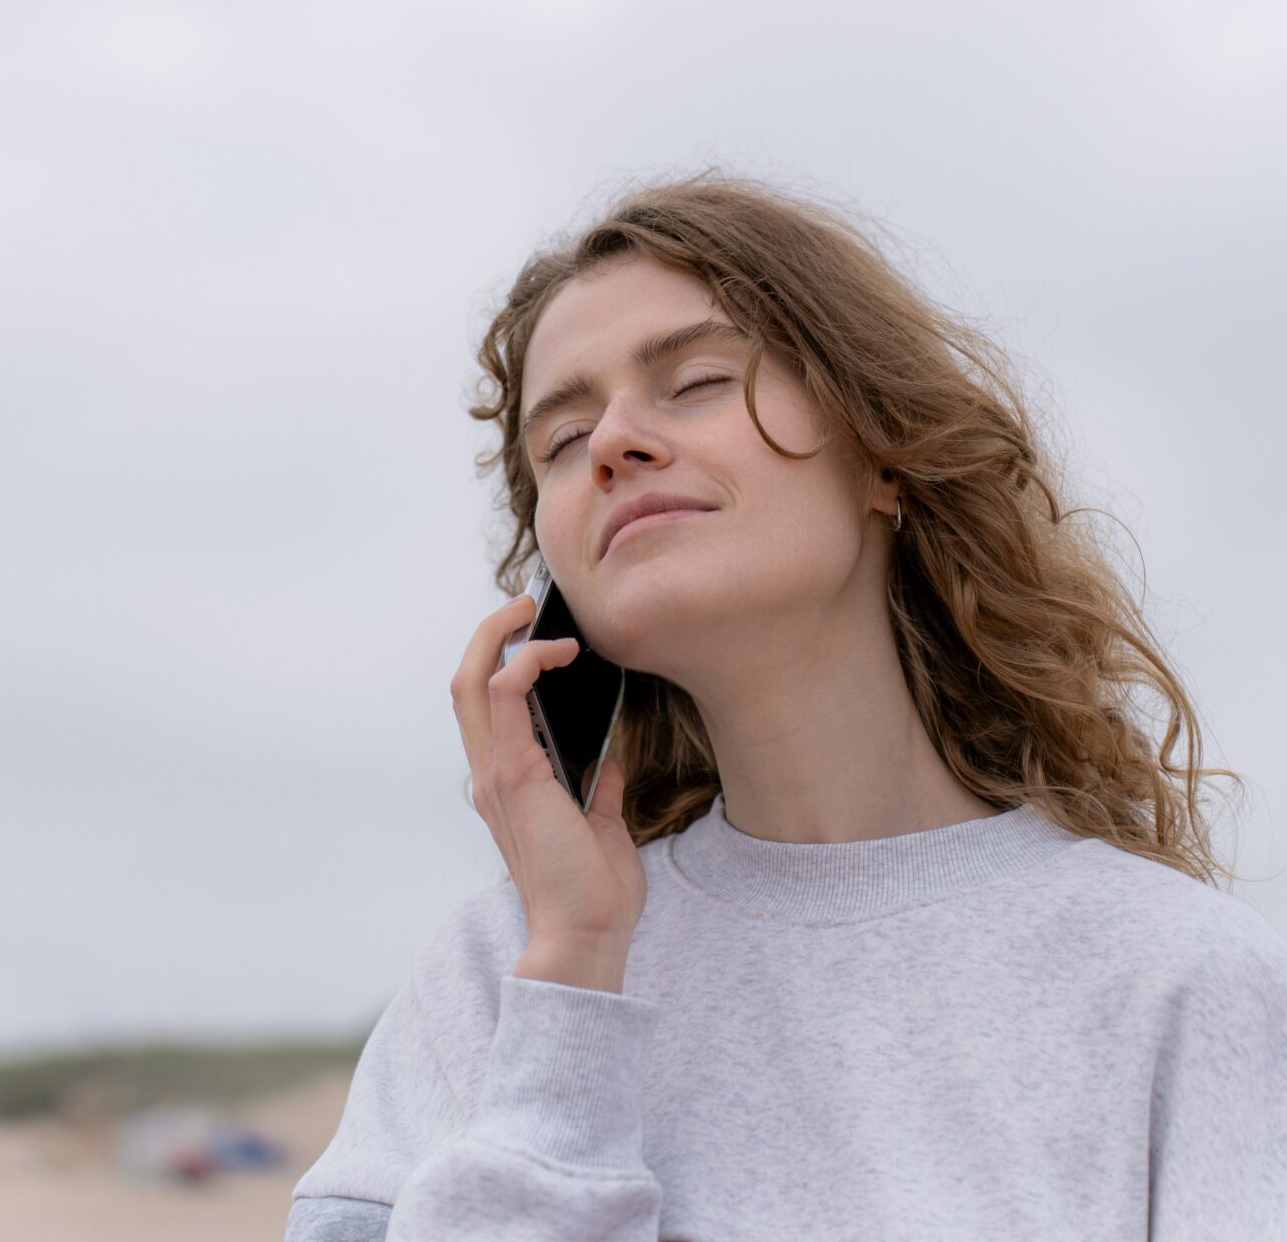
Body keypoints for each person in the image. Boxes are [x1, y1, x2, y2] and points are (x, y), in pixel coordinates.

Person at [285, 169, 1287, 1240]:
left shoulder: (1185, 981)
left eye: (700, 379)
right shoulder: (494, 977)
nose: (616, 439)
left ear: (885, 456)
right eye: (563, 443)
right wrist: (573, 979)